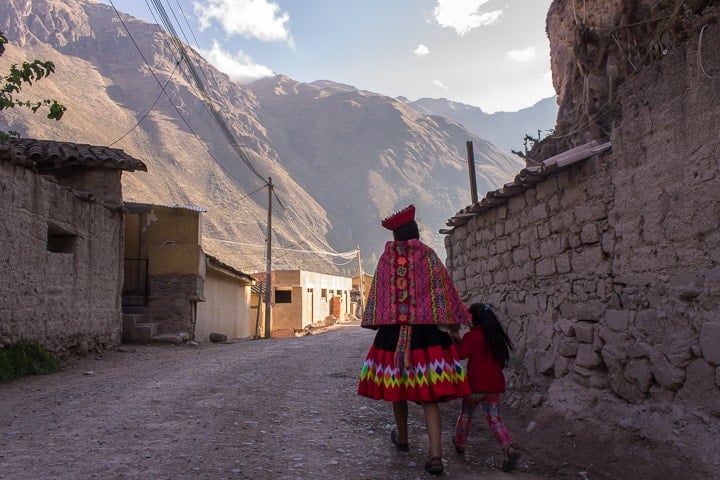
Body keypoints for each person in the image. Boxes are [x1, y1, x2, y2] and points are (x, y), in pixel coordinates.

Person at [357, 204, 471, 476]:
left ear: (396, 235)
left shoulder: (386, 259)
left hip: (393, 335)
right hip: (426, 336)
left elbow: (379, 296)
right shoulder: (429, 256)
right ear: (416, 233)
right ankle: (436, 456)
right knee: (428, 396)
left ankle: (404, 439)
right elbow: (444, 291)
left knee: (398, 391)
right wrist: (452, 325)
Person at [452, 302, 520, 472]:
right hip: (494, 387)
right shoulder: (496, 336)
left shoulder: (473, 336)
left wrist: (453, 338)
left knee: (466, 415)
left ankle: (460, 443)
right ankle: (507, 448)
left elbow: (460, 353)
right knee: (495, 419)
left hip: (475, 387)